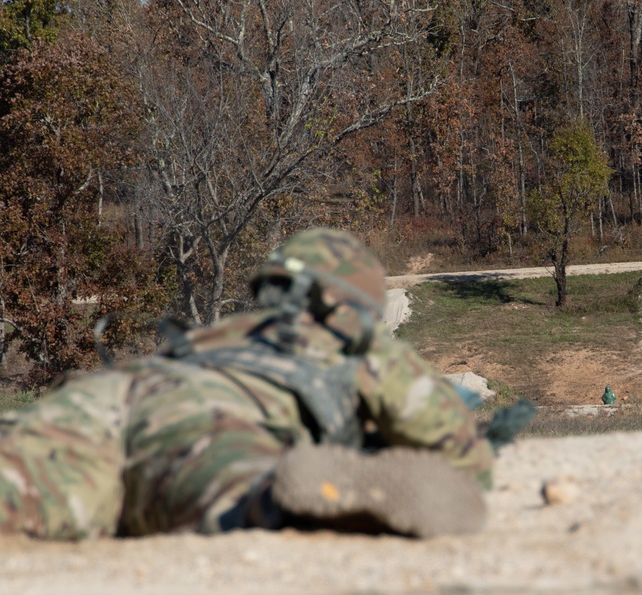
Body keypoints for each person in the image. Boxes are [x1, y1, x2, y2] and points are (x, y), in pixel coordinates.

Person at [0, 228, 503, 541]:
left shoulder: (226, 330)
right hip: (209, 420)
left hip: (106, 394)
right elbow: (462, 461)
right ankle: (292, 496)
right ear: (351, 303)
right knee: (237, 500)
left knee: (17, 487)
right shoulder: (354, 342)